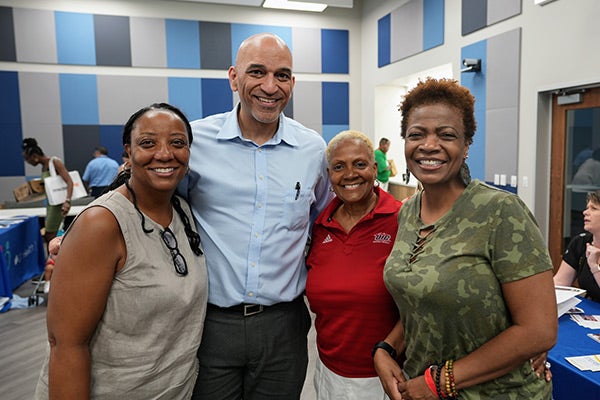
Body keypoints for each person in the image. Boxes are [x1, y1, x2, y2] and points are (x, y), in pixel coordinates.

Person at [374, 78, 557, 399]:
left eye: (446, 135)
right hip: (417, 387)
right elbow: (423, 296)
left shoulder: (500, 212)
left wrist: (440, 381)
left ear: (467, 144)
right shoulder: (407, 213)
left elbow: (539, 330)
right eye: (417, 134)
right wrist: (386, 348)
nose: (429, 145)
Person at [180, 32, 331, 400]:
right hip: (210, 324)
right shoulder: (194, 142)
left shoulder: (313, 149)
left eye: (281, 75)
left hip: (284, 326)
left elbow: (326, 221)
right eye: (257, 72)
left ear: (292, 83)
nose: (270, 86)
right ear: (234, 78)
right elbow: (154, 210)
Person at [34, 103, 208, 399]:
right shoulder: (101, 223)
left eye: (177, 143)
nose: (165, 153)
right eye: (148, 143)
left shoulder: (183, 212)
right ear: (128, 153)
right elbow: (65, 344)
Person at [305, 130, 401, 400]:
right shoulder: (320, 226)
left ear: (374, 168)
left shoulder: (402, 219)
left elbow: (422, 303)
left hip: (385, 375)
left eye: (359, 164)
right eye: (339, 167)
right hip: (328, 372)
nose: (349, 174)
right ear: (329, 175)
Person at [22, 138, 73, 245]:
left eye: (27, 159)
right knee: (51, 234)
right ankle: (55, 258)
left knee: (50, 234)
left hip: (59, 204)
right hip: (51, 203)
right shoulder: (44, 167)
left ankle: (57, 258)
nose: (28, 162)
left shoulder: (54, 162)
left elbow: (69, 181)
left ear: (35, 156)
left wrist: (67, 201)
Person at [554, 189, 600, 302]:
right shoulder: (580, 242)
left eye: (593, 208)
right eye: (587, 207)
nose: (585, 212)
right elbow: (559, 283)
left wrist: (594, 267)